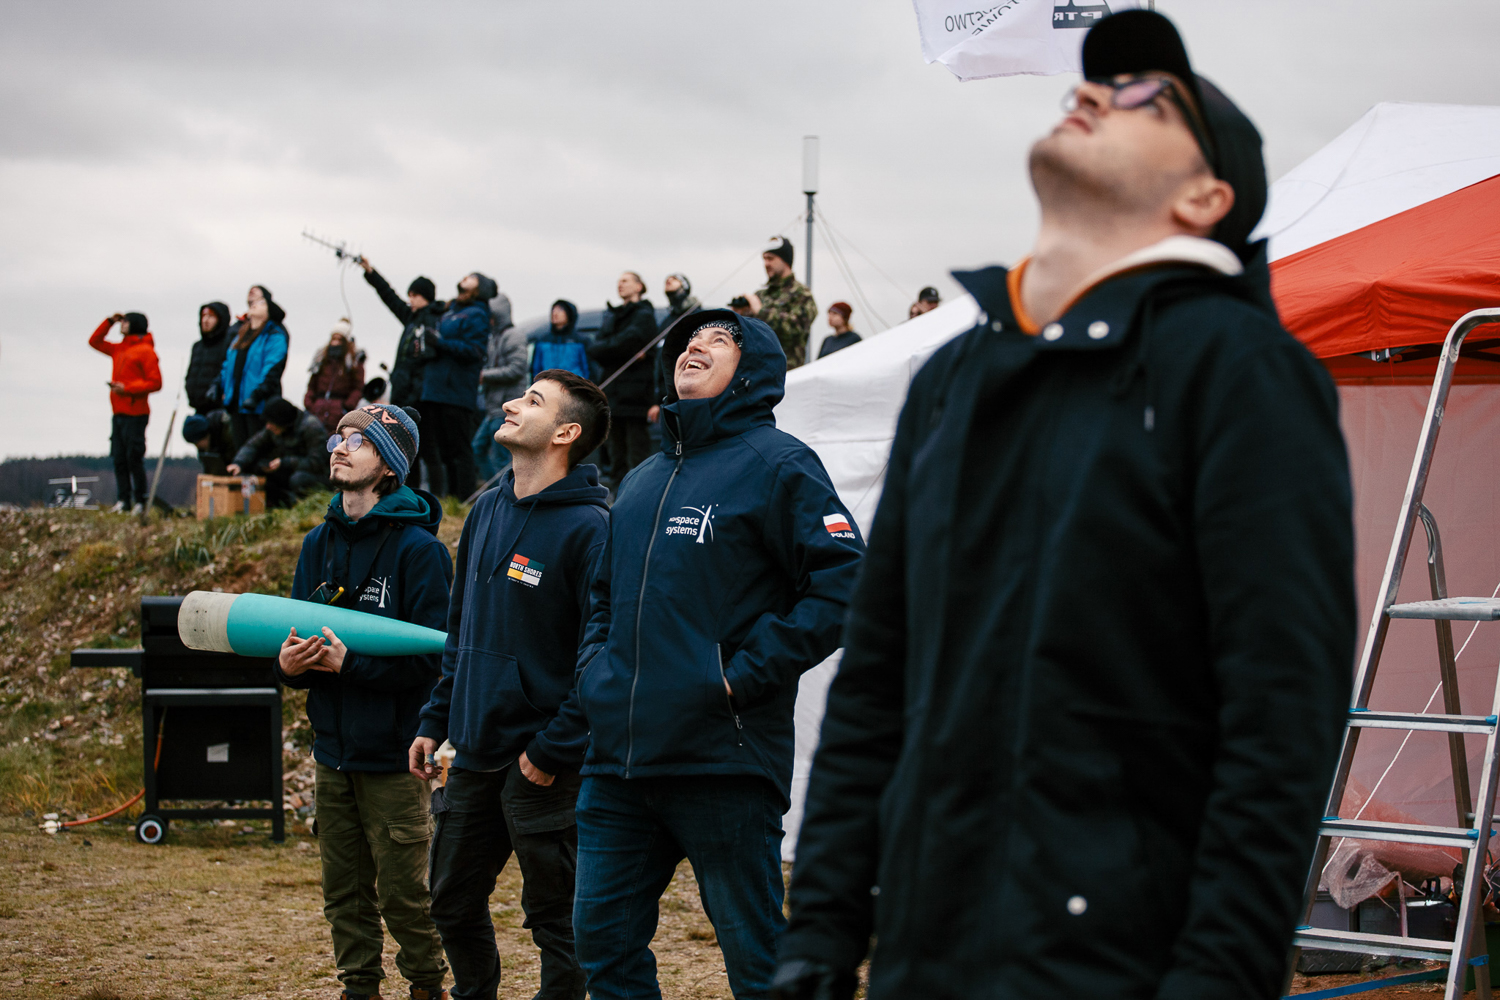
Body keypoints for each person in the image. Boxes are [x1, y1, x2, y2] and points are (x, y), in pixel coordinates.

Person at [773, 11, 1355, 1000]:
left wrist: (1219, 974)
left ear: (1205, 196)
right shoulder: (955, 377)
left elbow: (1280, 716)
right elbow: (876, 677)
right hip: (928, 949)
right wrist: (821, 931)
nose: (1090, 91)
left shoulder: (1241, 371)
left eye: (1146, 97)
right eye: (1091, 83)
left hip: (1124, 962)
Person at [571, 309, 866, 1000]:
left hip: (721, 757)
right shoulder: (642, 478)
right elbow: (603, 596)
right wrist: (596, 673)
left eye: (720, 340)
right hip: (618, 761)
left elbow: (847, 583)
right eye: (689, 340)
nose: (695, 346)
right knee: (602, 944)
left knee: (756, 961)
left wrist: (737, 677)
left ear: (752, 370)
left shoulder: (779, 463)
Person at [411, 369, 612, 1000]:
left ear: (565, 433)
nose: (510, 404)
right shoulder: (487, 509)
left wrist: (552, 751)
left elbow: (603, 654)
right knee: (450, 902)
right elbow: (461, 628)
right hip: (474, 752)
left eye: (532, 401)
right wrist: (436, 719)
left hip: (545, 764)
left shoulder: (592, 528)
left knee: (557, 922)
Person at [274, 401, 452, 1000]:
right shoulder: (316, 544)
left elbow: (434, 661)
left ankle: (427, 985)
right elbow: (296, 641)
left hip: (395, 757)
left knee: (404, 896)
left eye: (359, 441)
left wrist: (352, 665)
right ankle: (359, 989)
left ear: (390, 467)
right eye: (338, 438)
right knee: (344, 895)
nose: (340, 449)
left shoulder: (420, 553)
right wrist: (287, 668)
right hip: (333, 754)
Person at [360, 259, 448, 490]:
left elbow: (427, 361)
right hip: (404, 394)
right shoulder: (411, 318)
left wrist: (416, 393)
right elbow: (390, 297)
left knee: (428, 448)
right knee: (409, 449)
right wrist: (371, 272)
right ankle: (411, 493)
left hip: (421, 398)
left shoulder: (434, 320)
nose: (409, 299)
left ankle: (438, 497)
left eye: (414, 295)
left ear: (424, 296)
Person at [416, 272, 492, 498]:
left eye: (472, 277)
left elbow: (475, 351)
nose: (465, 277)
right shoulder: (450, 311)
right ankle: (448, 499)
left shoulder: (477, 314)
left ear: (480, 288)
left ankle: (464, 498)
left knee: (460, 449)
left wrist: (440, 343)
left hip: (456, 391)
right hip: (436, 388)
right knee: (442, 450)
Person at [587, 272, 657, 485]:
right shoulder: (612, 315)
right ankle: (618, 495)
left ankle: (640, 495)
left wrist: (611, 349)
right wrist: (620, 350)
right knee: (615, 455)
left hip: (636, 396)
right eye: (618, 282)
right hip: (613, 395)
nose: (620, 285)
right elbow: (595, 349)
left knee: (637, 455)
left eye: (625, 281)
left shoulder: (644, 315)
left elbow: (629, 340)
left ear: (639, 286)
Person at [88, 312, 162, 513]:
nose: (122, 324)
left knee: (134, 458)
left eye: (125, 321)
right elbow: (94, 342)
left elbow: (156, 382)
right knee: (119, 458)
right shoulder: (119, 349)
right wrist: (109, 321)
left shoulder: (146, 351)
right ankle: (123, 501)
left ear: (135, 324)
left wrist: (127, 389)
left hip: (136, 413)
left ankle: (140, 501)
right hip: (118, 412)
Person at [226, 397, 329, 508]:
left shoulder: (311, 427)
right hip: (288, 469)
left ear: (283, 422)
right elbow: (253, 445)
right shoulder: (274, 428)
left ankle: (299, 504)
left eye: (271, 422)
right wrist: (238, 463)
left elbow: (316, 463)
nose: (267, 426)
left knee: (298, 479)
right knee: (258, 468)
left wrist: (285, 463)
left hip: (313, 475)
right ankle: (277, 503)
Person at [221, 285, 290, 448]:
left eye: (261, 303)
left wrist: (257, 395)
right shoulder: (240, 335)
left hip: (258, 405)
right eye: (253, 303)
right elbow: (227, 365)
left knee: (257, 450)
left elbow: (272, 368)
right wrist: (221, 388)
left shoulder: (274, 335)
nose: (254, 305)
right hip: (236, 403)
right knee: (240, 450)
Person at [733, 237, 816, 369]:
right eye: (764, 259)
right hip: (756, 371)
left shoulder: (801, 294)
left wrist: (760, 311)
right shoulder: (761, 295)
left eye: (771, 258)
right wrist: (740, 317)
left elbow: (794, 330)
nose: (766, 264)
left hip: (786, 372)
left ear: (785, 260)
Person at [472, 293, 528, 487]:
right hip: (492, 407)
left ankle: (505, 493)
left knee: (501, 457)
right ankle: (496, 490)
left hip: (507, 406)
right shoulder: (493, 338)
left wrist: (485, 375)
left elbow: (517, 368)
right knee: (478, 448)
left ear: (499, 314)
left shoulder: (514, 336)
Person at [647, 274, 701, 426]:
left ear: (685, 287)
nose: (668, 280)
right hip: (668, 398)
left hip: (692, 396)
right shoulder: (666, 322)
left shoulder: (697, 316)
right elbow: (660, 365)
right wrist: (657, 401)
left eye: (674, 279)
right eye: (667, 280)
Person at [305, 318, 367, 433]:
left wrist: (346, 406)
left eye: (340, 339)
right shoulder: (321, 359)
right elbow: (312, 385)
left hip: (339, 414)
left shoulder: (353, 362)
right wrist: (310, 404)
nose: (335, 343)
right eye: (334, 338)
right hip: (318, 411)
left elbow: (358, 387)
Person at [185, 301, 232, 414]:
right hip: (198, 406)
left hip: (219, 408)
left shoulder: (229, 344)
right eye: (203, 316)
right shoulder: (197, 346)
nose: (205, 320)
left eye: (211, 316)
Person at [531, 300, 590, 381]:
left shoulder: (580, 340)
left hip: (573, 385)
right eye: (553, 310)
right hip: (548, 385)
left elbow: (588, 369)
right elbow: (535, 369)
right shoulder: (543, 340)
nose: (555, 313)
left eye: (560, 310)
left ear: (569, 314)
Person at [182, 410, 236, 476]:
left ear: (203, 436)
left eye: (197, 443)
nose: (197, 446)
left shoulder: (228, 430)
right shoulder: (213, 441)